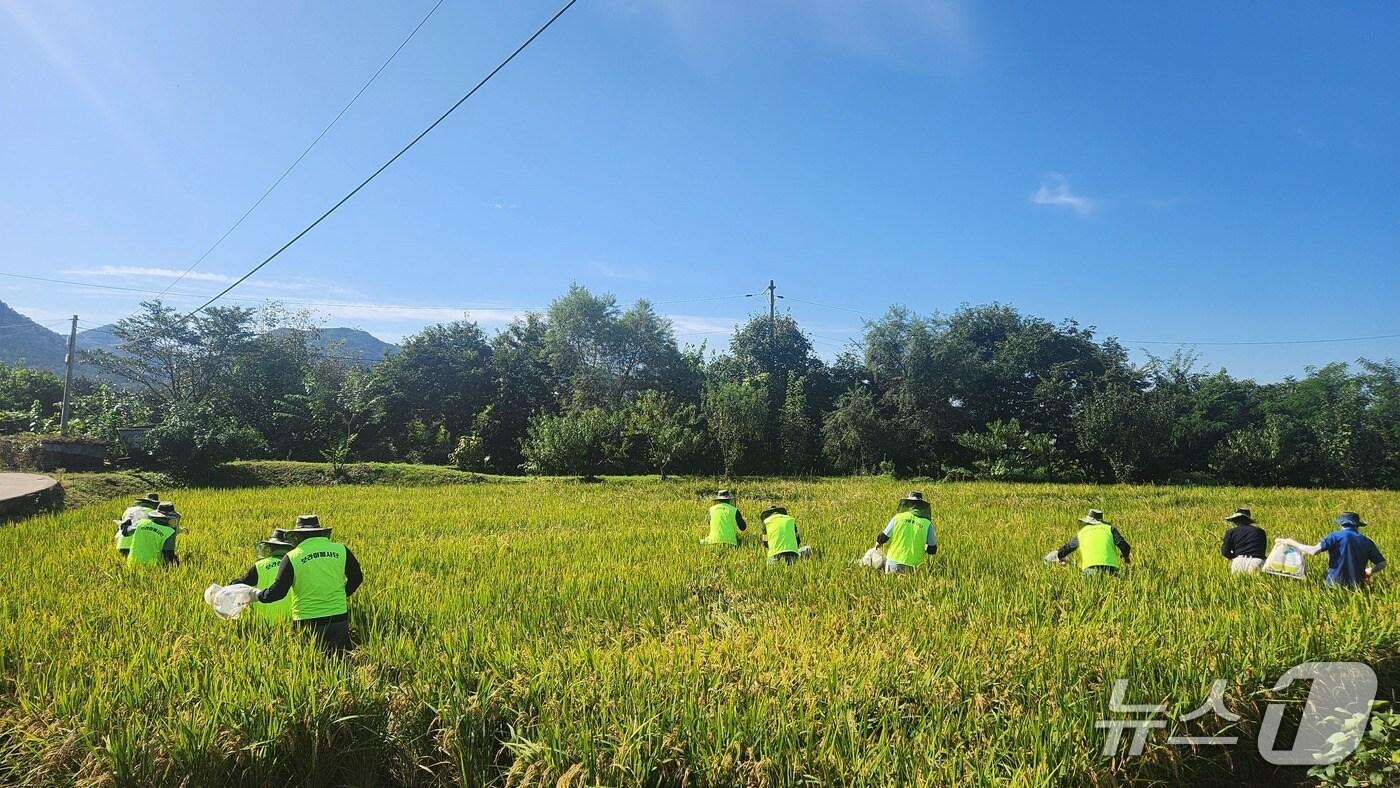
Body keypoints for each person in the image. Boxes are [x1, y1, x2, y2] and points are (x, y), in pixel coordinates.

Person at [255, 515, 363, 653]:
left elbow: (278, 592)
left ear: (297, 536)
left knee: (312, 666)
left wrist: (258, 595)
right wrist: (342, 594)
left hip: (307, 622)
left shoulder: (292, 557)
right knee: (342, 661)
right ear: (320, 532)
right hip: (338, 619)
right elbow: (357, 578)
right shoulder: (341, 550)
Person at [1277, 512, 1386, 589]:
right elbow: (1382, 563)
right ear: (1357, 525)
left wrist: (1291, 542)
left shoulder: (1335, 536)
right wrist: (1369, 571)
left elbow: (1314, 551)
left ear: (1341, 524)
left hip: (1333, 585)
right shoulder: (1366, 541)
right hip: (1357, 587)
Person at [228, 530, 295, 624]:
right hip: (290, 622)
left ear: (271, 547)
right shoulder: (294, 564)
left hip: (263, 622)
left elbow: (239, 584)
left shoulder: (259, 566)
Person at [874, 491, 937, 574]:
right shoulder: (927, 523)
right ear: (922, 506)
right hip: (914, 566)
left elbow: (884, 537)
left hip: (893, 562)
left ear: (909, 504)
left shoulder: (898, 518)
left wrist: (878, 543)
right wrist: (924, 547)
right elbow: (932, 549)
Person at [1053, 509, 1130, 575]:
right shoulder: (1109, 529)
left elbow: (1068, 548)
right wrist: (1126, 557)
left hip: (1090, 569)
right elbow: (1124, 546)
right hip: (1110, 569)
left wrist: (1058, 556)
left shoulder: (1082, 533)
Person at [1220, 508, 1267, 573]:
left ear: (1236, 520)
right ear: (1248, 520)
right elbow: (1262, 550)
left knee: (1237, 583)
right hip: (1256, 561)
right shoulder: (1260, 532)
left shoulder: (1230, 532)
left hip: (1238, 562)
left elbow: (1225, 552)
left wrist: (1234, 557)